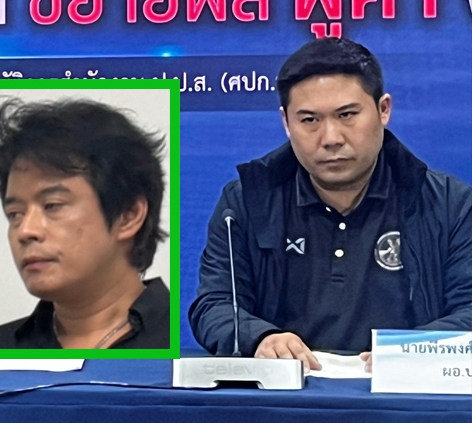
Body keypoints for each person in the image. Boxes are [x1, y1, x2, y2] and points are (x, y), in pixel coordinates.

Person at [190, 37, 472, 370]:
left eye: (347, 115)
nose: (331, 138)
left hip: (400, 394)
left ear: (383, 110)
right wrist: (261, 338)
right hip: (286, 395)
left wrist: (406, 350)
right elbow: (214, 304)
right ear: (286, 122)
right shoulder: (245, 203)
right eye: (309, 120)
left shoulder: (449, 204)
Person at [0, 97, 171, 349]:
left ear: (129, 215)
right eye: (15, 214)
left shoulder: (182, 344)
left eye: (52, 205)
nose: (26, 231)